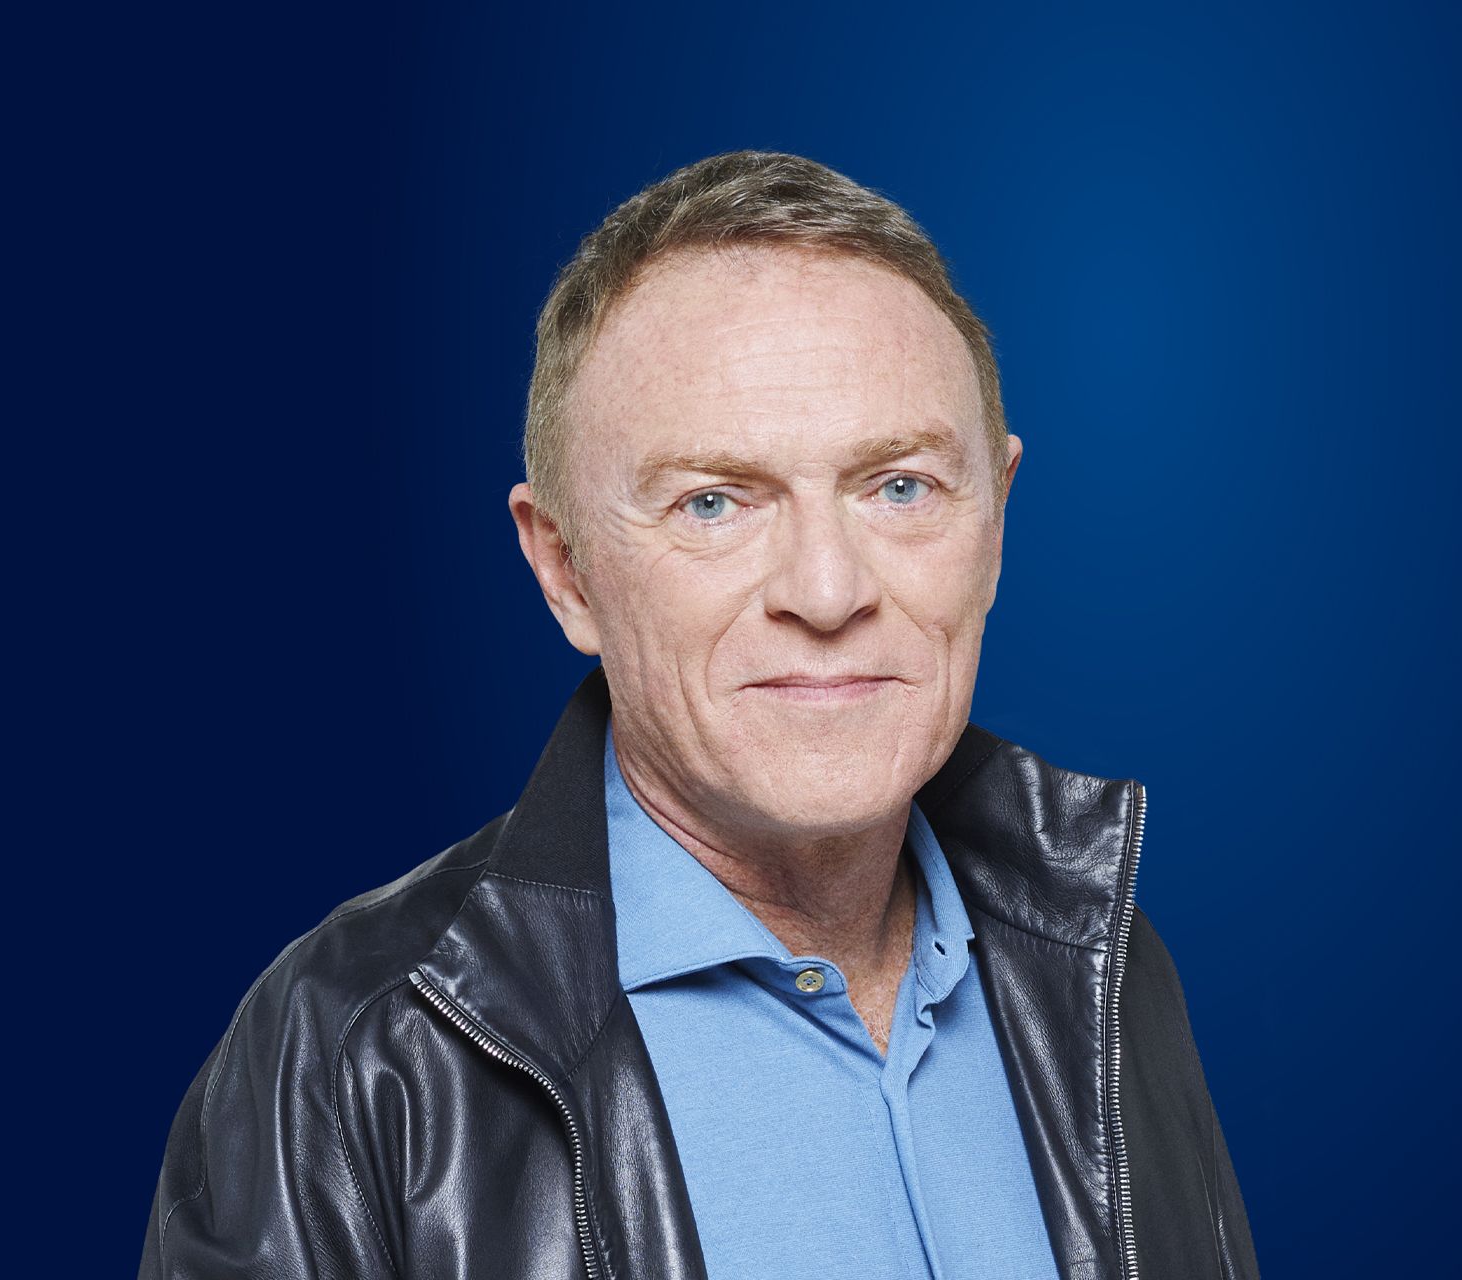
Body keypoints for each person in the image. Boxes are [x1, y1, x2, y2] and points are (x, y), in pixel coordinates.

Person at [140, 150, 1257, 1280]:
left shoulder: (1102, 966)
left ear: (996, 521)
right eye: (713, 502)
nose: (827, 590)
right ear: (565, 571)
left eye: (899, 486)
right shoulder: (349, 1058)